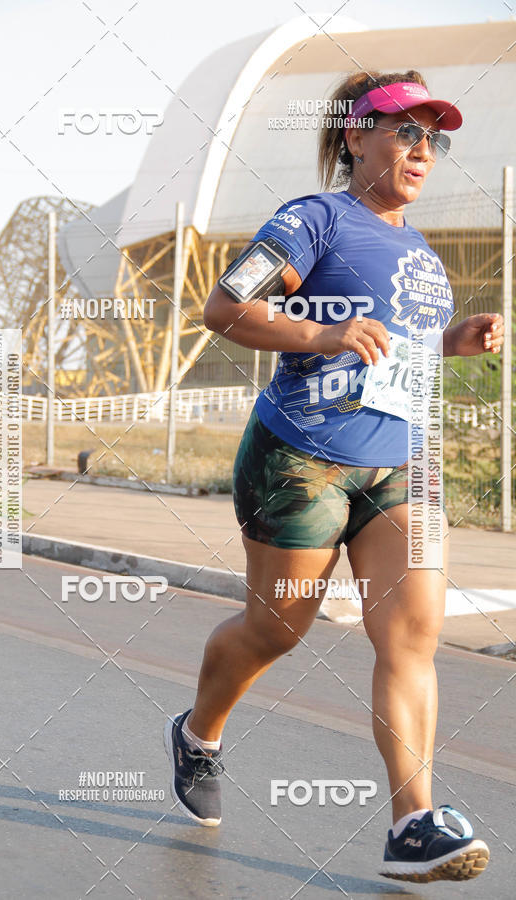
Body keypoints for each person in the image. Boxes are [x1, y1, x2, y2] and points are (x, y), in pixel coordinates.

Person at [163, 69, 504, 883]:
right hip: (300, 460)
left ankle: (413, 824)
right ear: (356, 135)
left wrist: (452, 341)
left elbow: (391, 349)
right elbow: (224, 308)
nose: (423, 149)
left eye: (435, 138)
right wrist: (323, 335)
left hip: (401, 466)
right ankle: (198, 734)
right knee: (277, 629)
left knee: (413, 634)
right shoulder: (312, 220)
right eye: (406, 130)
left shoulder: (422, 252)